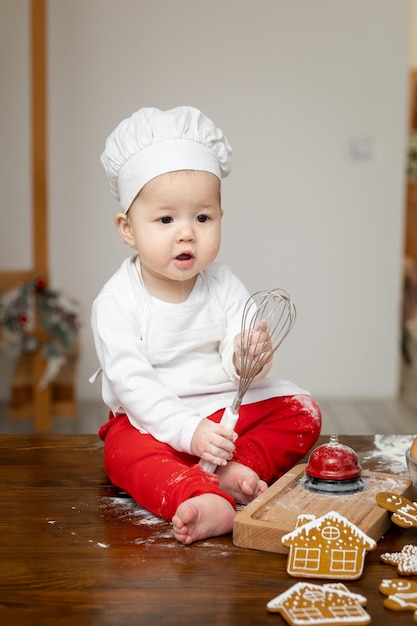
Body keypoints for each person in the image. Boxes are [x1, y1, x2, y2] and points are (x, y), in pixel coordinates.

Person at [91, 105, 321, 545]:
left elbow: (239, 351)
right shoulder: (117, 302)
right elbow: (133, 385)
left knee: (302, 409)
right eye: (165, 219)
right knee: (122, 453)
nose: (186, 233)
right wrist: (187, 432)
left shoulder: (223, 283)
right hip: (152, 421)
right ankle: (196, 494)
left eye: (202, 217)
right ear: (127, 228)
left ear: (219, 218)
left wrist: (248, 356)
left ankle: (240, 469)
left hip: (219, 416)